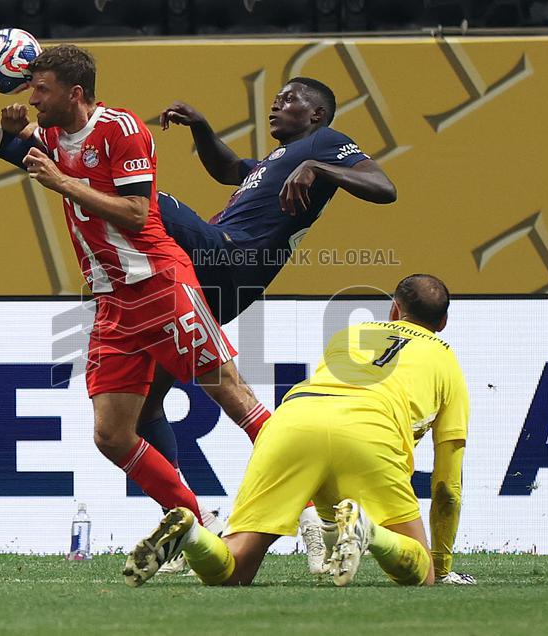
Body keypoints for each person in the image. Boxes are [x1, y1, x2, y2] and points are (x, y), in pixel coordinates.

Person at [0, 44, 272, 523]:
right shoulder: (52, 134)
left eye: (42, 90)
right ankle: (195, 523)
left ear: (75, 92)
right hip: (114, 302)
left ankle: (315, 515)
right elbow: (8, 145)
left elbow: (135, 212)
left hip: (160, 282)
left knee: (229, 392)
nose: (34, 98)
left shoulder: (121, 129)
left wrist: (60, 182)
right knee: (111, 434)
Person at [140, 78, 399, 571]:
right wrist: (202, 130)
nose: (277, 104)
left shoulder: (324, 143)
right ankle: (195, 522)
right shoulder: (268, 166)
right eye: (277, 97)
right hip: (220, 281)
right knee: (147, 402)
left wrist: (318, 165)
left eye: (290, 98)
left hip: (233, 260)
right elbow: (227, 170)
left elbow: (385, 188)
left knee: (153, 202)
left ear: (318, 115)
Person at [122, 274, 470, 588]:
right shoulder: (447, 362)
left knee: (234, 569)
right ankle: (371, 533)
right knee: (420, 573)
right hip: (370, 431)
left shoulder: (351, 335)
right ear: (443, 321)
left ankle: (192, 535)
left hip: (290, 421)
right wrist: (440, 565)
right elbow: (447, 486)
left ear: (394, 310)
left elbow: (325, 449)